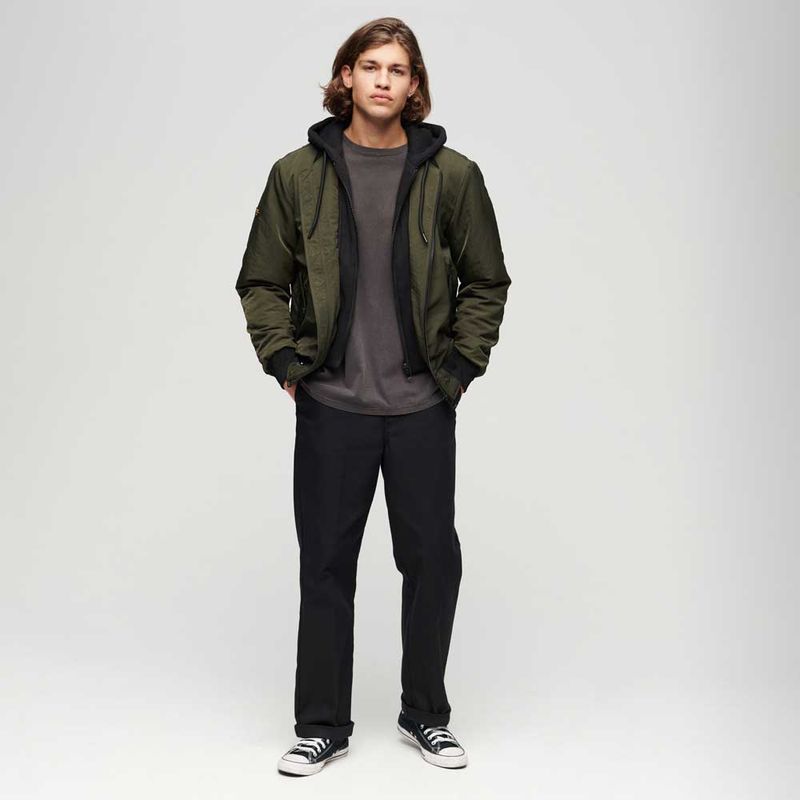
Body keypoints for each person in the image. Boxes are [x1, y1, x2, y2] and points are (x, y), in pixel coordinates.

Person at [235, 16, 511, 777]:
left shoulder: (453, 175)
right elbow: (261, 279)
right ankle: (321, 725)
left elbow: (487, 280)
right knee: (326, 565)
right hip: (333, 405)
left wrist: (459, 368)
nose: (383, 80)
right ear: (345, 77)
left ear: (414, 85)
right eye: (370, 66)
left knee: (433, 562)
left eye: (398, 69)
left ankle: (426, 715)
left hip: (421, 406)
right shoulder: (298, 174)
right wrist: (286, 360)